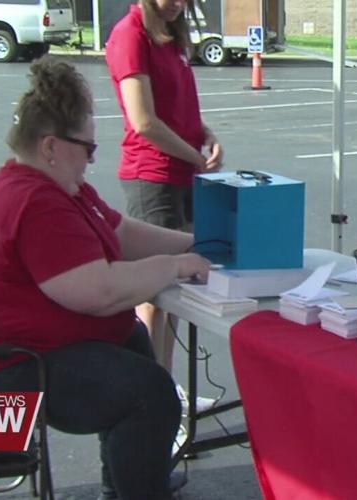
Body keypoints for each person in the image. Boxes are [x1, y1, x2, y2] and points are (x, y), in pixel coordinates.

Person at [0, 57, 211, 500]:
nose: (92, 160)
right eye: (88, 148)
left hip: (11, 359)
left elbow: (120, 232)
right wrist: (174, 266)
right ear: (50, 146)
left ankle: (128, 479)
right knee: (150, 393)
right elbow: (96, 293)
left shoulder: (57, 188)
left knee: (131, 340)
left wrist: (195, 243)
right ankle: (135, 487)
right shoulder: (36, 203)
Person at [105, 0, 223, 367]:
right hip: (153, 178)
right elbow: (144, 121)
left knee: (176, 292)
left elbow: (179, 108)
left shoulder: (171, 35)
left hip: (185, 175)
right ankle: (152, 388)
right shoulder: (130, 35)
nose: (179, 4)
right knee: (154, 295)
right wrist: (196, 156)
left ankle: (168, 387)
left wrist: (206, 135)